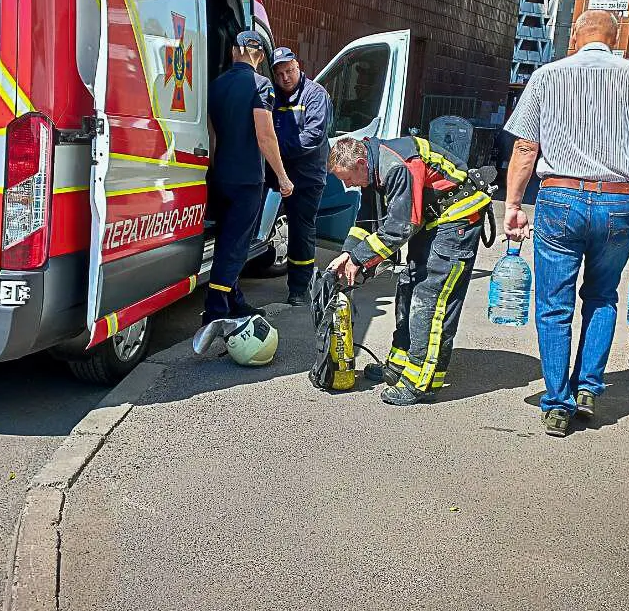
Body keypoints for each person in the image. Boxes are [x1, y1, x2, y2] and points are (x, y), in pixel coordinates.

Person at [503, 9, 629, 438]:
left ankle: (556, 403)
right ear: (614, 40)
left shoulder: (547, 76)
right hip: (619, 202)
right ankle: (588, 389)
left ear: (576, 36)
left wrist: (513, 204)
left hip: (560, 197)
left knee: (554, 304)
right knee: (602, 296)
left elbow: (526, 147)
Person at [325, 135, 492, 406]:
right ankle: (399, 365)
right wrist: (348, 253)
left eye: (347, 178)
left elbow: (400, 228)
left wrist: (359, 260)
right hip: (433, 219)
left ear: (359, 163)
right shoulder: (372, 167)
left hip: (456, 220)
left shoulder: (397, 165)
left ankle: (420, 382)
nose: (347, 186)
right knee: (408, 287)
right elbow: (367, 221)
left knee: (430, 299)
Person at [204, 30, 293, 325]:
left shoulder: (216, 85)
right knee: (236, 245)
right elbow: (265, 135)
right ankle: (216, 311)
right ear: (260, 56)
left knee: (226, 242)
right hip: (246, 179)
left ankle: (234, 300)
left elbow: (212, 137)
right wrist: (282, 176)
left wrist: (216, 170)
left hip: (221, 175)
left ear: (234, 51)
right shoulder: (261, 85)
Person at [270, 46, 333, 304]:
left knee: (301, 231)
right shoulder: (272, 96)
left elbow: (313, 137)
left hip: (305, 178)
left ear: (298, 66)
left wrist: (273, 148)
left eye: (290, 71)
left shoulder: (316, 95)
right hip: (273, 172)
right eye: (280, 73)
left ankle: (299, 288)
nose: (286, 77)